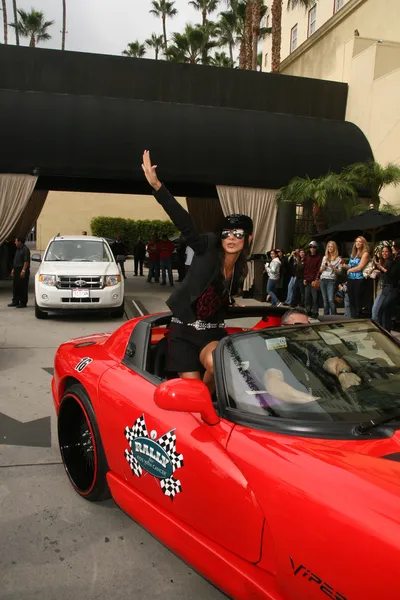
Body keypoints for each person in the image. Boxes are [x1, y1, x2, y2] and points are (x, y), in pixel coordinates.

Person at [141, 149, 253, 391]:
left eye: (238, 234)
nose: (231, 238)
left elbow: (218, 291)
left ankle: (209, 400)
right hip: (183, 331)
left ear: (248, 238)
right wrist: (158, 187)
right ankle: (203, 402)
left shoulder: (241, 268)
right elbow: (185, 223)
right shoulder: (209, 246)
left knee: (216, 365)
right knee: (192, 393)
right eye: (227, 233)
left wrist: (229, 301)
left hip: (212, 334)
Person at [376, 238, 400, 331]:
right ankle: (385, 331)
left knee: (381, 311)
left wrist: (381, 267)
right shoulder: (394, 258)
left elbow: (393, 274)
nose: (392, 248)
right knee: (385, 312)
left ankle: (384, 331)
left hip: (391, 288)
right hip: (387, 287)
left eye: (393, 246)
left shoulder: (398, 260)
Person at [346, 236, 370, 319]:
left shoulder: (365, 253)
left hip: (359, 279)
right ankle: (353, 318)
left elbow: (360, 267)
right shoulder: (353, 253)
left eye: (360, 241)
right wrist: (344, 266)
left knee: (357, 300)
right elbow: (349, 266)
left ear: (363, 243)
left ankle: (358, 317)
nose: (358, 243)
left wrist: (350, 270)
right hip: (351, 279)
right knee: (351, 299)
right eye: (356, 241)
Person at [319, 240, 342, 315]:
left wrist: (332, 266)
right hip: (323, 279)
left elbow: (339, 272)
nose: (330, 248)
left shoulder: (338, 259)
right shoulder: (325, 257)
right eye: (329, 246)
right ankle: (326, 316)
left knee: (331, 300)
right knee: (324, 300)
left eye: (332, 246)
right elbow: (320, 270)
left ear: (334, 248)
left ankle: (334, 316)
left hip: (331, 280)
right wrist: (323, 266)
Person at [8, 237, 31, 308]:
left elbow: (26, 261)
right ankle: (15, 301)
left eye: (16, 241)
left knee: (22, 287)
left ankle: (23, 302)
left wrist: (23, 270)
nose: (15, 242)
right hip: (16, 270)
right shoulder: (17, 249)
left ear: (20, 242)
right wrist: (13, 269)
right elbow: (16, 260)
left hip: (22, 270)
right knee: (16, 286)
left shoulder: (25, 250)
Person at [371, 245, 392, 322]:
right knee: (379, 311)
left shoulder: (391, 262)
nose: (384, 253)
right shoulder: (383, 262)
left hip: (386, 289)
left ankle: (375, 328)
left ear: (390, 253)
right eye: (383, 251)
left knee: (375, 310)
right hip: (380, 288)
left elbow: (390, 274)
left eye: (386, 251)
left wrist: (380, 268)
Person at [303, 241, 322, 319]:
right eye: (311, 247)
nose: (312, 249)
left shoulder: (319, 257)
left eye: (314, 247)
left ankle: (315, 312)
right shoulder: (307, 257)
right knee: (307, 297)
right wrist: (304, 278)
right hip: (307, 280)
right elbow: (306, 268)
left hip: (314, 280)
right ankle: (308, 310)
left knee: (315, 298)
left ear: (316, 248)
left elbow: (319, 269)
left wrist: (317, 279)